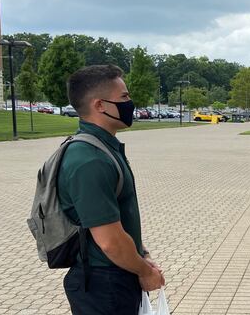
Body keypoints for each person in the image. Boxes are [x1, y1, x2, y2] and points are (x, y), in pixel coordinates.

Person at [58, 65, 165, 314]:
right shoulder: (89, 159)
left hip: (115, 276)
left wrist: (142, 255)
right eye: (124, 97)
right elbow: (110, 242)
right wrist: (144, 271)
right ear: (100, 105)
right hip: (104, 284)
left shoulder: (104, 149)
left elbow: (120, 221)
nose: (131, 104)